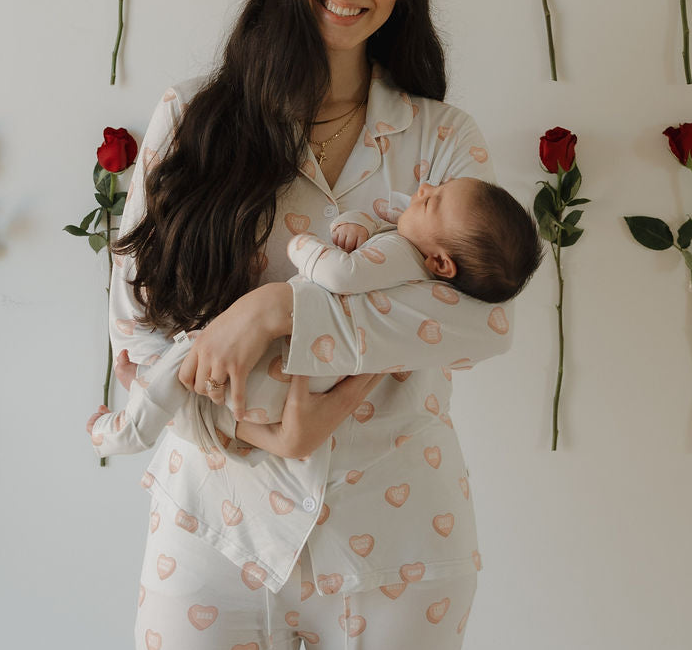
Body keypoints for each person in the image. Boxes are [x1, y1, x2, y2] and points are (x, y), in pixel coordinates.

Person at [102, 0, 520, 650]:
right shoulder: (193, 121)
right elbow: (137, 329)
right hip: (211, 526)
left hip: (397, 538)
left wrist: (277, 309)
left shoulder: (441, 140)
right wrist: (251, 434)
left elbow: (479, 320)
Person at [88, 175, 539, 454]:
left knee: (189, 355)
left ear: (442, 263)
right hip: (285, 391)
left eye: (432, 201)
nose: (422, 190)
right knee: (199, 393)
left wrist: (302, 247)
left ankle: (125, 431)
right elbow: (385, 218)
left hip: (281, 370)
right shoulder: (421, 272)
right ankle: (153, 391)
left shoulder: (403, 255)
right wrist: (360, 222)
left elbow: (342, 273)